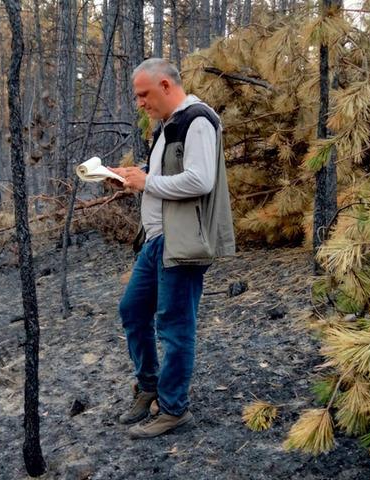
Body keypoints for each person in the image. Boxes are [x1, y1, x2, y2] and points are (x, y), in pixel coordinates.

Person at [107, 58, 235, 439]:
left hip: (182, 242)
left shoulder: (198, 120)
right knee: (132, 310)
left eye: (143, 94)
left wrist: (146, 182)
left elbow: (200, 180)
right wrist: (129, 178)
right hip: (156, 242)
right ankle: (149, 386)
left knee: (175, 327)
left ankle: (174, 409)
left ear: (165, 85)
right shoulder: (168, 126)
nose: (140, 103)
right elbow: (165, 177)